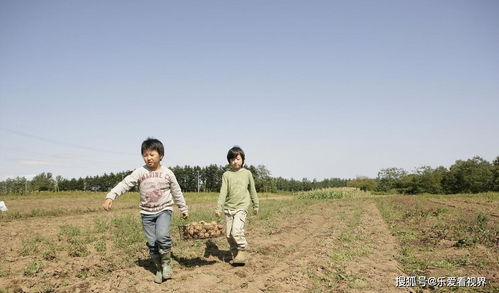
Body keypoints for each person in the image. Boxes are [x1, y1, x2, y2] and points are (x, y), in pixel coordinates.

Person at [102, 138, 189, 284]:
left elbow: (177, 191)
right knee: (152, 242)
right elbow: (125, 183)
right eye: (145, 155)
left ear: (160, 155)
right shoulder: (140, 172)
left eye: (152, 154)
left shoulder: (168, 173)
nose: (148, 158)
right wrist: (111, 196)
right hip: (146, 213)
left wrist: (183, 208)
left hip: (164, 210)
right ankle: (159, 268)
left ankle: (167, 263)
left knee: (162, 237)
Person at [215, 146, 259, 265]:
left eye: (238, 159)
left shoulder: (247, 173)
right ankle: (235, 254)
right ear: (229, 161)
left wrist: (256, 205)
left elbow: (252, 190)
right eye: (232, 159)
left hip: (241, 207)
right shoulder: (226, 175)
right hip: (229, 208)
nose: (235, 161)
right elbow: (223, 192)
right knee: (229, 235)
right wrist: (218, 207)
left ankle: (242, 250)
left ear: (243, 160)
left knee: (236, 231)